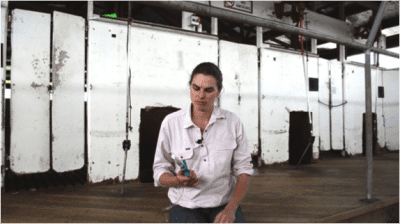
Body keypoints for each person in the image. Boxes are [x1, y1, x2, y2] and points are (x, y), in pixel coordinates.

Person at [153, 62, 254, 223]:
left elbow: (244, 169)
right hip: (185, 204)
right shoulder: (171, 123)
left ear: (218, 92)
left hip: (223, 203)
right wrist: (176, 180)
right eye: (196, 88)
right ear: (190, 88)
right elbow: (159, 170)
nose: (201, 96)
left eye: (208, 90)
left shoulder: (232, 122)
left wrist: (230, 210)